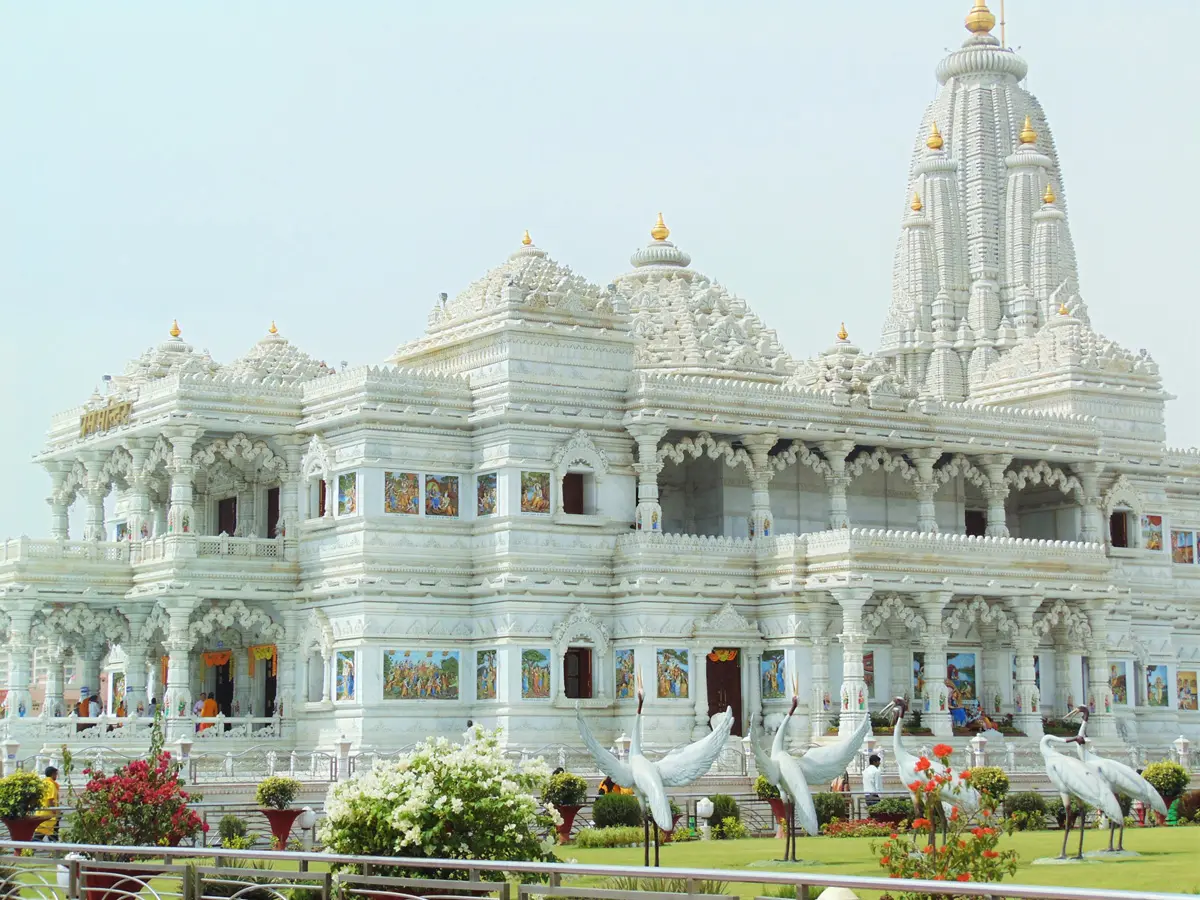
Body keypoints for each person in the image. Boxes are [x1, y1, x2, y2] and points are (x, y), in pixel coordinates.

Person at [34, 767, 59, 841]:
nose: (56, 776)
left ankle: (28, 851)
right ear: (53, 774)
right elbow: (50, 799)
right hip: (49, 816)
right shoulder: (51, 784)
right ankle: (27, 851)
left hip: (40, 813)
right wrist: (55, 812)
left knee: (40, 836)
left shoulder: (42, 783)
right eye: (56, 774)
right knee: (50, 837)